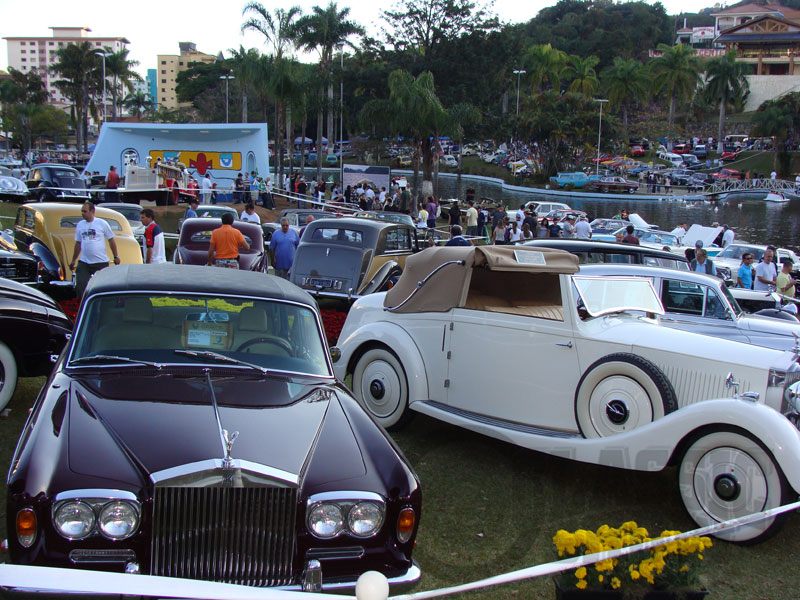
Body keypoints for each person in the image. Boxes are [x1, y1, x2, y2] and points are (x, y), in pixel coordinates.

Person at [69, 202, 121, 298]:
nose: (82, 213)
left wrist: (116, 256)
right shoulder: (80, 225)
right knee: (81, 286)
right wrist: (73, 260)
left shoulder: (101, 223)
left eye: (85, 211)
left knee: (104, 286)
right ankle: (81, 304)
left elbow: (111, 240)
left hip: (100, 261)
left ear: (92, 211)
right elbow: (78, 243)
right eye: (82, 211)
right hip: (84, 261)